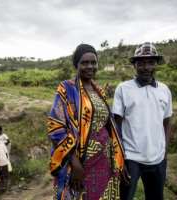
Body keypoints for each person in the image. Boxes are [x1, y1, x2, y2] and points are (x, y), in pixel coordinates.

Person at [48, 44, 125, 200]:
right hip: (80, 160)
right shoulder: (67, 88)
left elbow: (108, 124)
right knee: (78, 194)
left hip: (104, 159)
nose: (90, 66)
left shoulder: (99, 90)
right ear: (76, 65)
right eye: (84, 63)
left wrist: (118, 156)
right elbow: (56, 127)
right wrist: (75, 163)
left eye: (93, 62)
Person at [112, 42, 172, 200]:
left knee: (156, 197)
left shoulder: (164, 90)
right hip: (131, 158)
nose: (146, 67)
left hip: (158, 158)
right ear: (135, 65)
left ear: (156, 64)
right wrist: (120, 158)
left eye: (151, 62)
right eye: (141, 63)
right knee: (125, 197)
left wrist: (164, 151)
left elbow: (166, 122)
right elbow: (116, 125)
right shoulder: (123, 89)